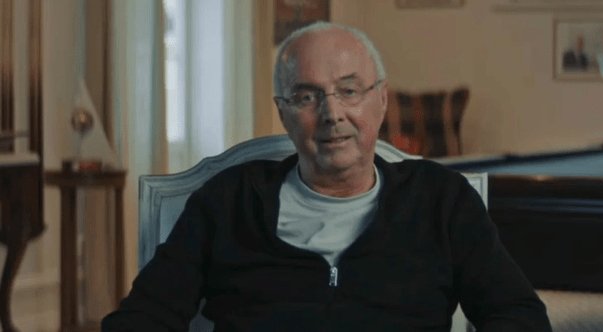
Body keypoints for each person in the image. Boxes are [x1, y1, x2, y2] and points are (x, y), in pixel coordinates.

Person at [102, 21, 552, 331]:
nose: (332, 113)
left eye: (349, 91)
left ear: (381, 101)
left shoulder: (442, 200)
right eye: (307, 96)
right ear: (283, 113)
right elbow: (143, 317)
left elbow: (518, 315)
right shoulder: (228, 201)